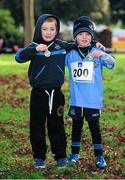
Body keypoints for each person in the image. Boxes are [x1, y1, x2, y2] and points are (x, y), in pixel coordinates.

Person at [15, 14, 105, 169]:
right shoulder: (34, 47)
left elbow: (80, 43)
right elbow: (19, 57)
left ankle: (61, 157)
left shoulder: (61, 46)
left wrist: (96, 43)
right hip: (38, 94)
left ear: (56, 30)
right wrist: (34, 49)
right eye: (45, 29)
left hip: (56, 94)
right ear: (39, 29)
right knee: (36, 126)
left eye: (52, 29)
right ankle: (39, 157)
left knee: (56, 125)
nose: (48, 32)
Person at [65, 16, 115, 169]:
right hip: (76, 100)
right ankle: (74, 154)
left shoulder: (96, 51)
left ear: (92, 36)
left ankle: (99, 156)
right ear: (75, 37)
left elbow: (112, 62)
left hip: (92, 100)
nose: (84, 37)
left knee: (95, 128)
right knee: (76, 127)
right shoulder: (70, 54)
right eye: (80, 34)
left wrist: (103, 54)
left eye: (87, 34)